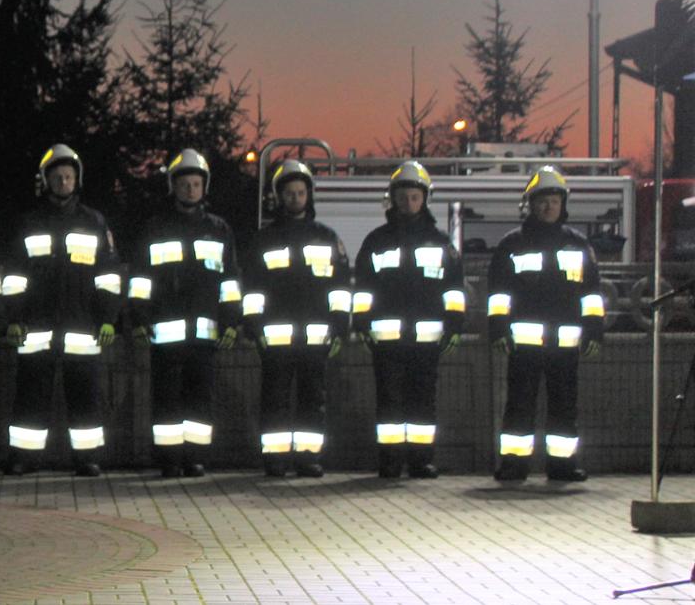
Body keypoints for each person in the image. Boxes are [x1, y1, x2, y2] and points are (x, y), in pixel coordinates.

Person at [2, 144, 123, 477]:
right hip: (35, 328)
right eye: (57, 177)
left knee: (86, 397)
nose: (63, 182)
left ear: (76, 180)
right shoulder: (28, 223)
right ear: (46, 180)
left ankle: (87, 459)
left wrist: (109, 319)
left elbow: (109, 277)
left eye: (68, 176)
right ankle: (24, 458)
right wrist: (13, 318)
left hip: (83, 327)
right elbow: (14, 277)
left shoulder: (94, 222)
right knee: (30, 396)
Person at [126, 149, 241, 478]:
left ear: (204, 187)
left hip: (205, 334)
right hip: (163, 333)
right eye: (184, 184)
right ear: (172, 187)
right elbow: (140, 280)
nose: (190, 190)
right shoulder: (155, 229)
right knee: (166, 398)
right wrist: (138, 318)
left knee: (200, 399)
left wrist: (232, 321)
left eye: (196, 184)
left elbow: (230, 281)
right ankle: (169, 459)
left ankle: (195, 458)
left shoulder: (220, 230)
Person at [488, 166, 603, 483]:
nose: (548, 206)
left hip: (566, 345)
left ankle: (563, 466)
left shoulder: (579, 245)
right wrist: (498, 328)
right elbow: (499, 293)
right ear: (530, 204)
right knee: (519, 406)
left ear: (563, 204)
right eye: (542, 201)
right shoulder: (512, 244)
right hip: (523, 344)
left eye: (553, 200)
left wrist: (594, 330)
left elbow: (591, 294)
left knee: (565, 407)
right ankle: (513, 465)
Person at [353, 161, 465, 479]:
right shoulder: (376, 241)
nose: (409, 202)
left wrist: (455, 325)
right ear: (392, 199)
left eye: (415, 196)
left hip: (427, 341)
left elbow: (454, 290)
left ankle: (420, 460)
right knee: (388, 402)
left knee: (423, 402)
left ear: (425, 199)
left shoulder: (442, 243)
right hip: (386, 341)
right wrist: (361, 323)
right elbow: (363, 288)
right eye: (403, 196)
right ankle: (390, 461)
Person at [242, 160, 350, 478]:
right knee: (273, 399)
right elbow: (252, 288)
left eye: (300, 192)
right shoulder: (264, 239)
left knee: (313, 399)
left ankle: (308, 458)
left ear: (309, 195)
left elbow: (340, 288)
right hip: (274, 338)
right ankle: (274, 459)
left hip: (316, 338)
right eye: (289, 193)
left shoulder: (328, 238)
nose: (295, 198)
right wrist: (253, 327)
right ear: (279, 197)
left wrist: (341, 327)